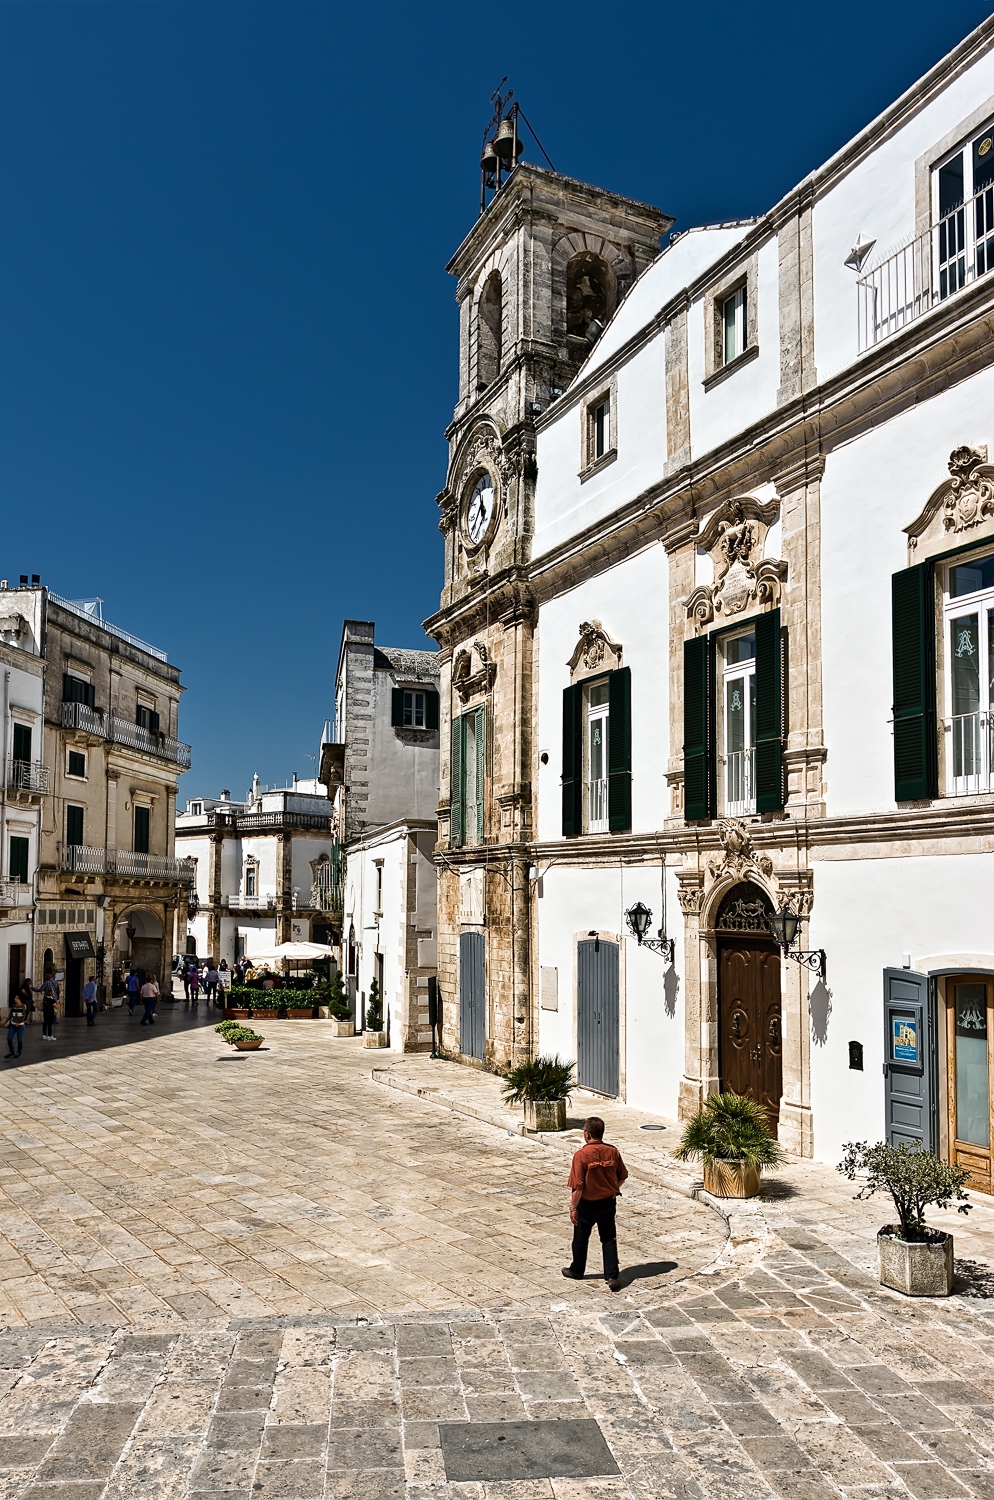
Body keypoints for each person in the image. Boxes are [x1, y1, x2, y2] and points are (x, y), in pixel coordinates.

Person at [562, 1116, 628, 1291]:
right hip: (608, 1203)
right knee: (608, 1239)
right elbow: (622, 1175)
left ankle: (577, 1270)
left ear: (587, 1133)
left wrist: (573, 1208)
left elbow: (578, 1186)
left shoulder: (581, 1155)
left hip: (587, 1205)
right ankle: (612, 1276)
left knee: (580, 1240)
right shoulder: (613, 1152)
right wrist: (612, 1188)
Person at [6, 991, 27, 1058]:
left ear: (20, 999)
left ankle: (19, 1052)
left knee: (19, 1039)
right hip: (13, 1024)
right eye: (15, 998)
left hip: (20, 1025)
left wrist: (19, 1022)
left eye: (17, 998)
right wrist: (5, 1022)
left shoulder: (23, 1006)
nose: (15, 999)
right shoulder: (13, 1006)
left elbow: (24, 1016)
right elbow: (10, 1015)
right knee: (9, 1038)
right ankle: (12, 1052)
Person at [40, 975, 59, 1041]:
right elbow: (56, 1006)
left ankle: (44, 1035)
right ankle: (50, 1036)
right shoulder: (52, 1000)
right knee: (50, 1024)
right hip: (50, 1012)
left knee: (45, 1023)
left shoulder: (45, 999)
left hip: (45, 1012)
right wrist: (56, 1003)